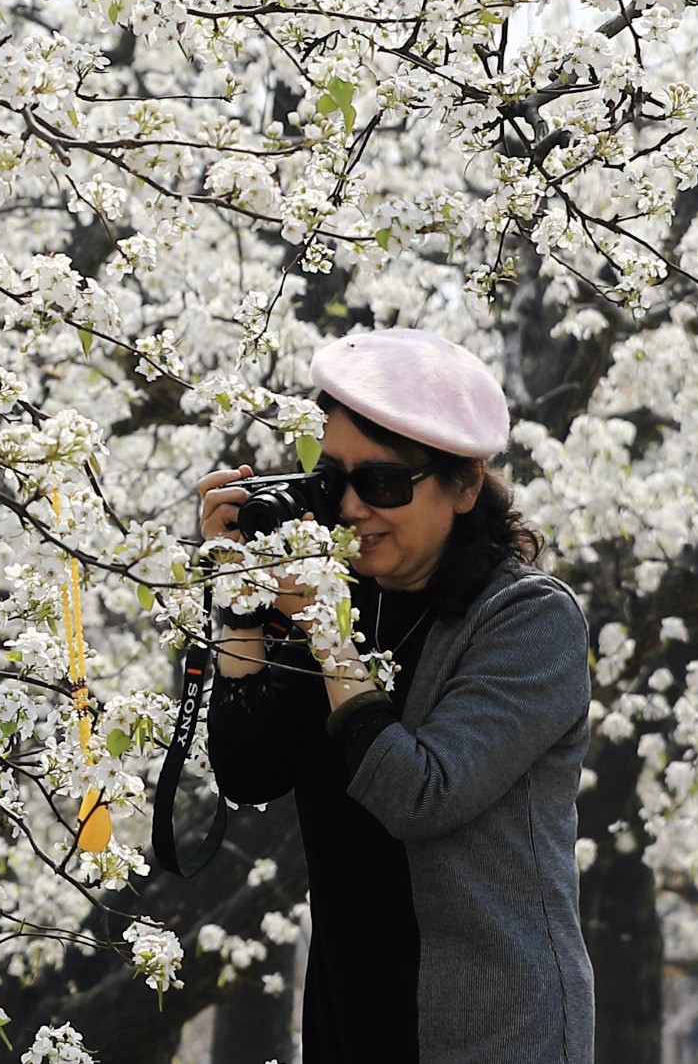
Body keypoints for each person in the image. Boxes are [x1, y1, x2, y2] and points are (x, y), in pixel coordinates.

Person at [197, 328, 594, 1064]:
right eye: (329, 477)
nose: (349, 508)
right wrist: (243, 601)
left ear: (465, 483)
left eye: (381, 484)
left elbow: (421, 792)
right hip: (350, 1023)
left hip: (494, 1029)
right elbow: (248, 770)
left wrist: (322, 625)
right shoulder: (337, 596)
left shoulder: (529, 618)